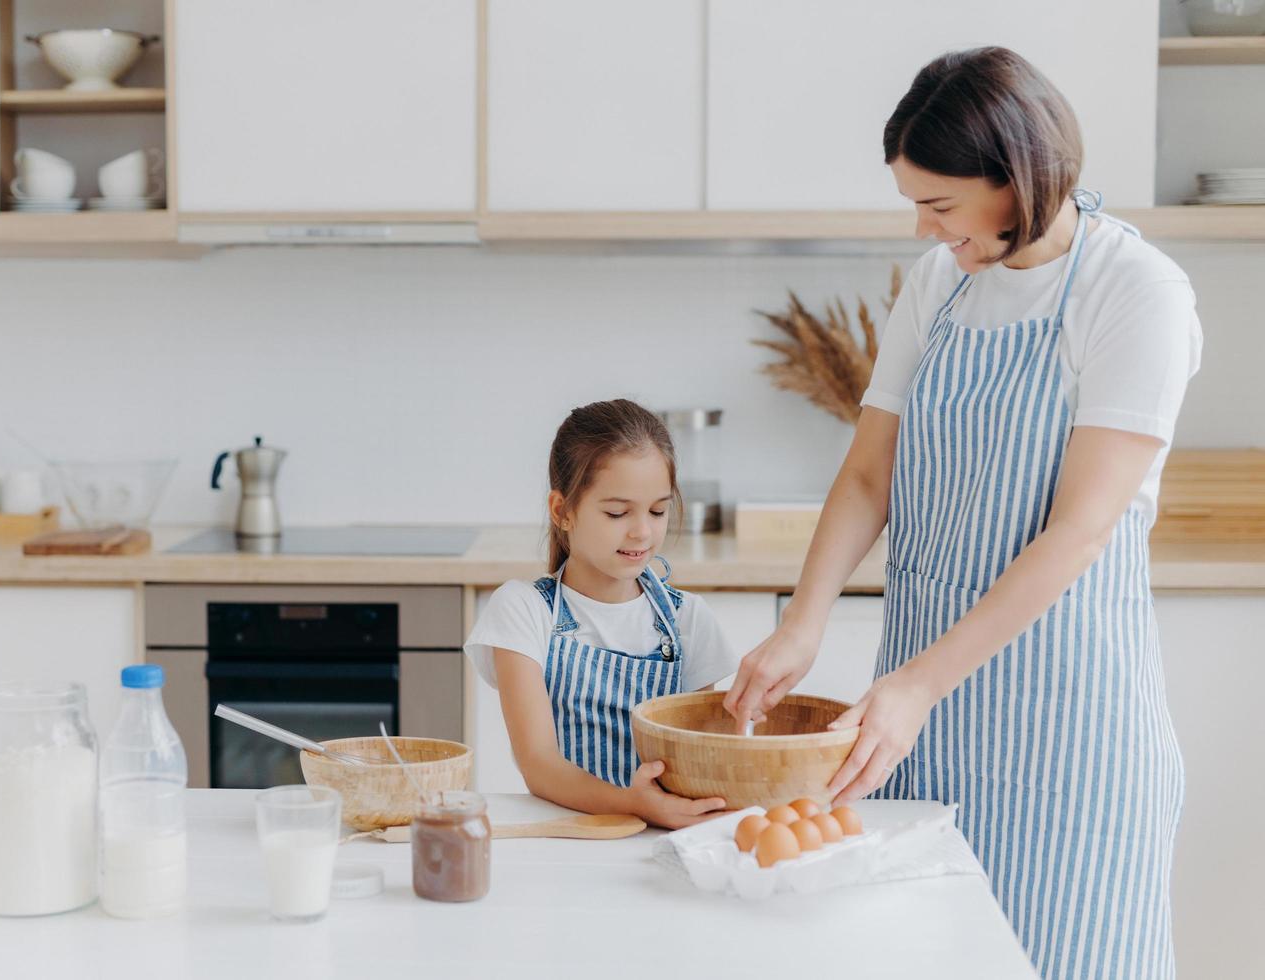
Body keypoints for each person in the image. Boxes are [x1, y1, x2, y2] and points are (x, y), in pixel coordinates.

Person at [723, 47, 1200, 980]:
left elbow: (1079, 530)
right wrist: (801, 624)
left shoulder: (1134, 293)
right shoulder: (940, 285)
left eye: (940, 205)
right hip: (922, 729)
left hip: (1066, 734)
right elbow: (869, 476)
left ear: (1017, 175)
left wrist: (914, 686)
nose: (924, 227)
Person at [465, 399, 739, 829]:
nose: (642, 532)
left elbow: (701, 759)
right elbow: (538, 764)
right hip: (566, 843)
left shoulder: (688, 620)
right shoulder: (523, 611)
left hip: (664, 840)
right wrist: (636, 804)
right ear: (562, 511)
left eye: (658, 510)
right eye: (617, 512)